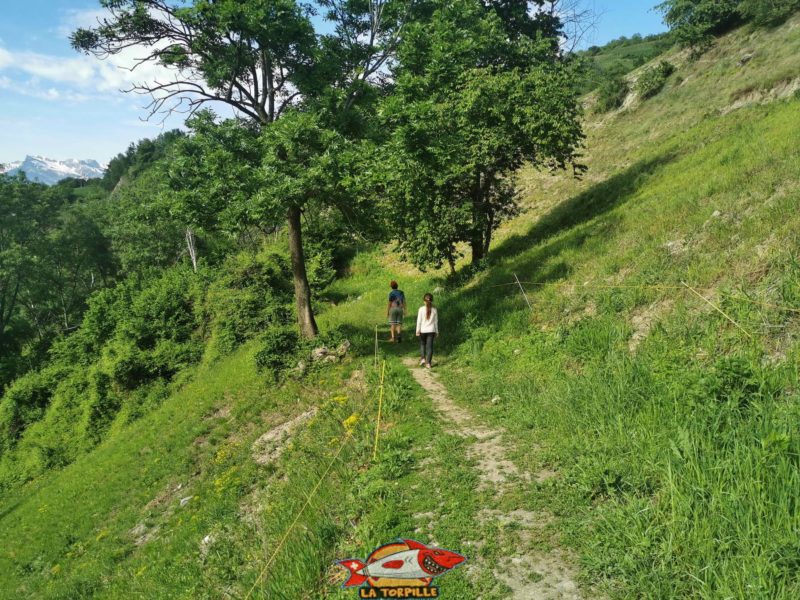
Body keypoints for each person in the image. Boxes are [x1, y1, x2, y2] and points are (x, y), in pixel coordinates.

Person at [416, 293, 438, 369]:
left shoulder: (421, 309)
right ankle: (428, 363)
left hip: (423, 330)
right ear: (432, 301)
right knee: (430, 347)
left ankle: (423, 359)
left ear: (424, 301)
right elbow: (436, 322)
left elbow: (419, 321)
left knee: (422, 344)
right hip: (431, 330)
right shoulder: (434, 310)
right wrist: (437, 331)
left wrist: (417, 330)